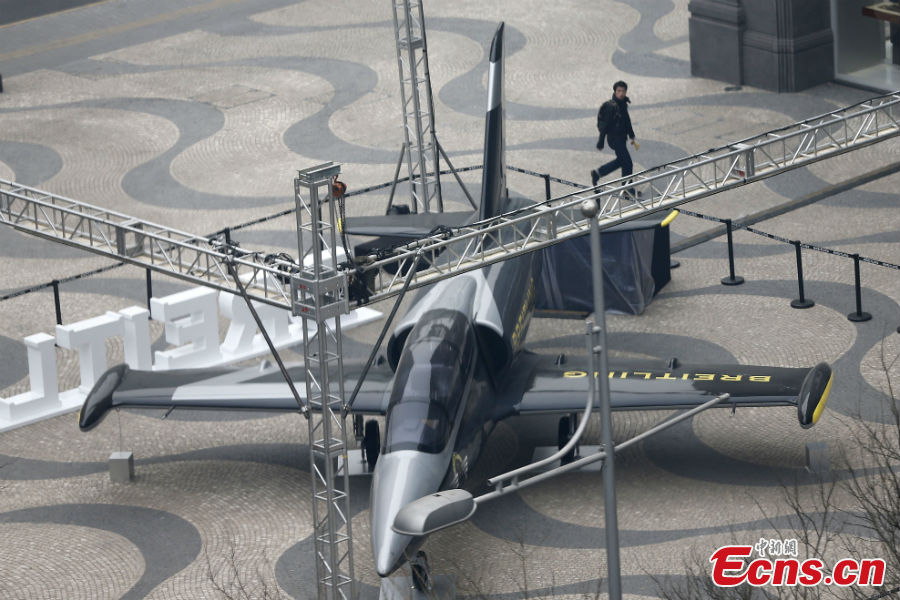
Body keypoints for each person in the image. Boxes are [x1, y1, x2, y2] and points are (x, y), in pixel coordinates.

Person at [591, 81, 639, 191]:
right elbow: (605, 125)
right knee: (628, 163)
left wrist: (631, 135)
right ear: (615, 92)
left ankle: (597, 173)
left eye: (623, 91)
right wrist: (601, 142)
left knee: (622, 161)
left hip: (621, 138)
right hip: (614, 139)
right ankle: (628, 188)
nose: (621, 93)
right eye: (619, 91)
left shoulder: (623, 104)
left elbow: (627, 121)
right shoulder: (611, 106)